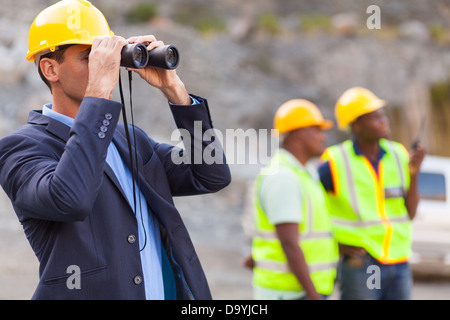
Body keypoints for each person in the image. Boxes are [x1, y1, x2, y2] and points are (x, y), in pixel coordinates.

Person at [0, 0, 230, 300]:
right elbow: (70, 199)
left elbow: (209, 175)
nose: (105, 66)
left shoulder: (129, 139)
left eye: (107, 56)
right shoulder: (20, 147)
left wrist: (176, 92)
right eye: (90, 57)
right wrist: (99, 93)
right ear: (50, 68)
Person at [319, 87, 425, 300]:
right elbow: (311, 209)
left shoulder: (398, 154)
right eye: (375, 117)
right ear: (356, 125)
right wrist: (335, 244)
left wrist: (414, 174)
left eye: (382, 115)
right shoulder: (335, 161)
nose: (383, 120)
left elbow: (410, 213)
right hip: (365, 265)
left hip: (399, 261)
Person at [250, 99, 339, 300]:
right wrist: (313, 295)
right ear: (298, 133)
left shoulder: (304, 173)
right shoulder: (283, 176)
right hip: (291, 294)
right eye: (317, 129)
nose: (322, 137)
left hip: (302, 291)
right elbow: (289, 243)